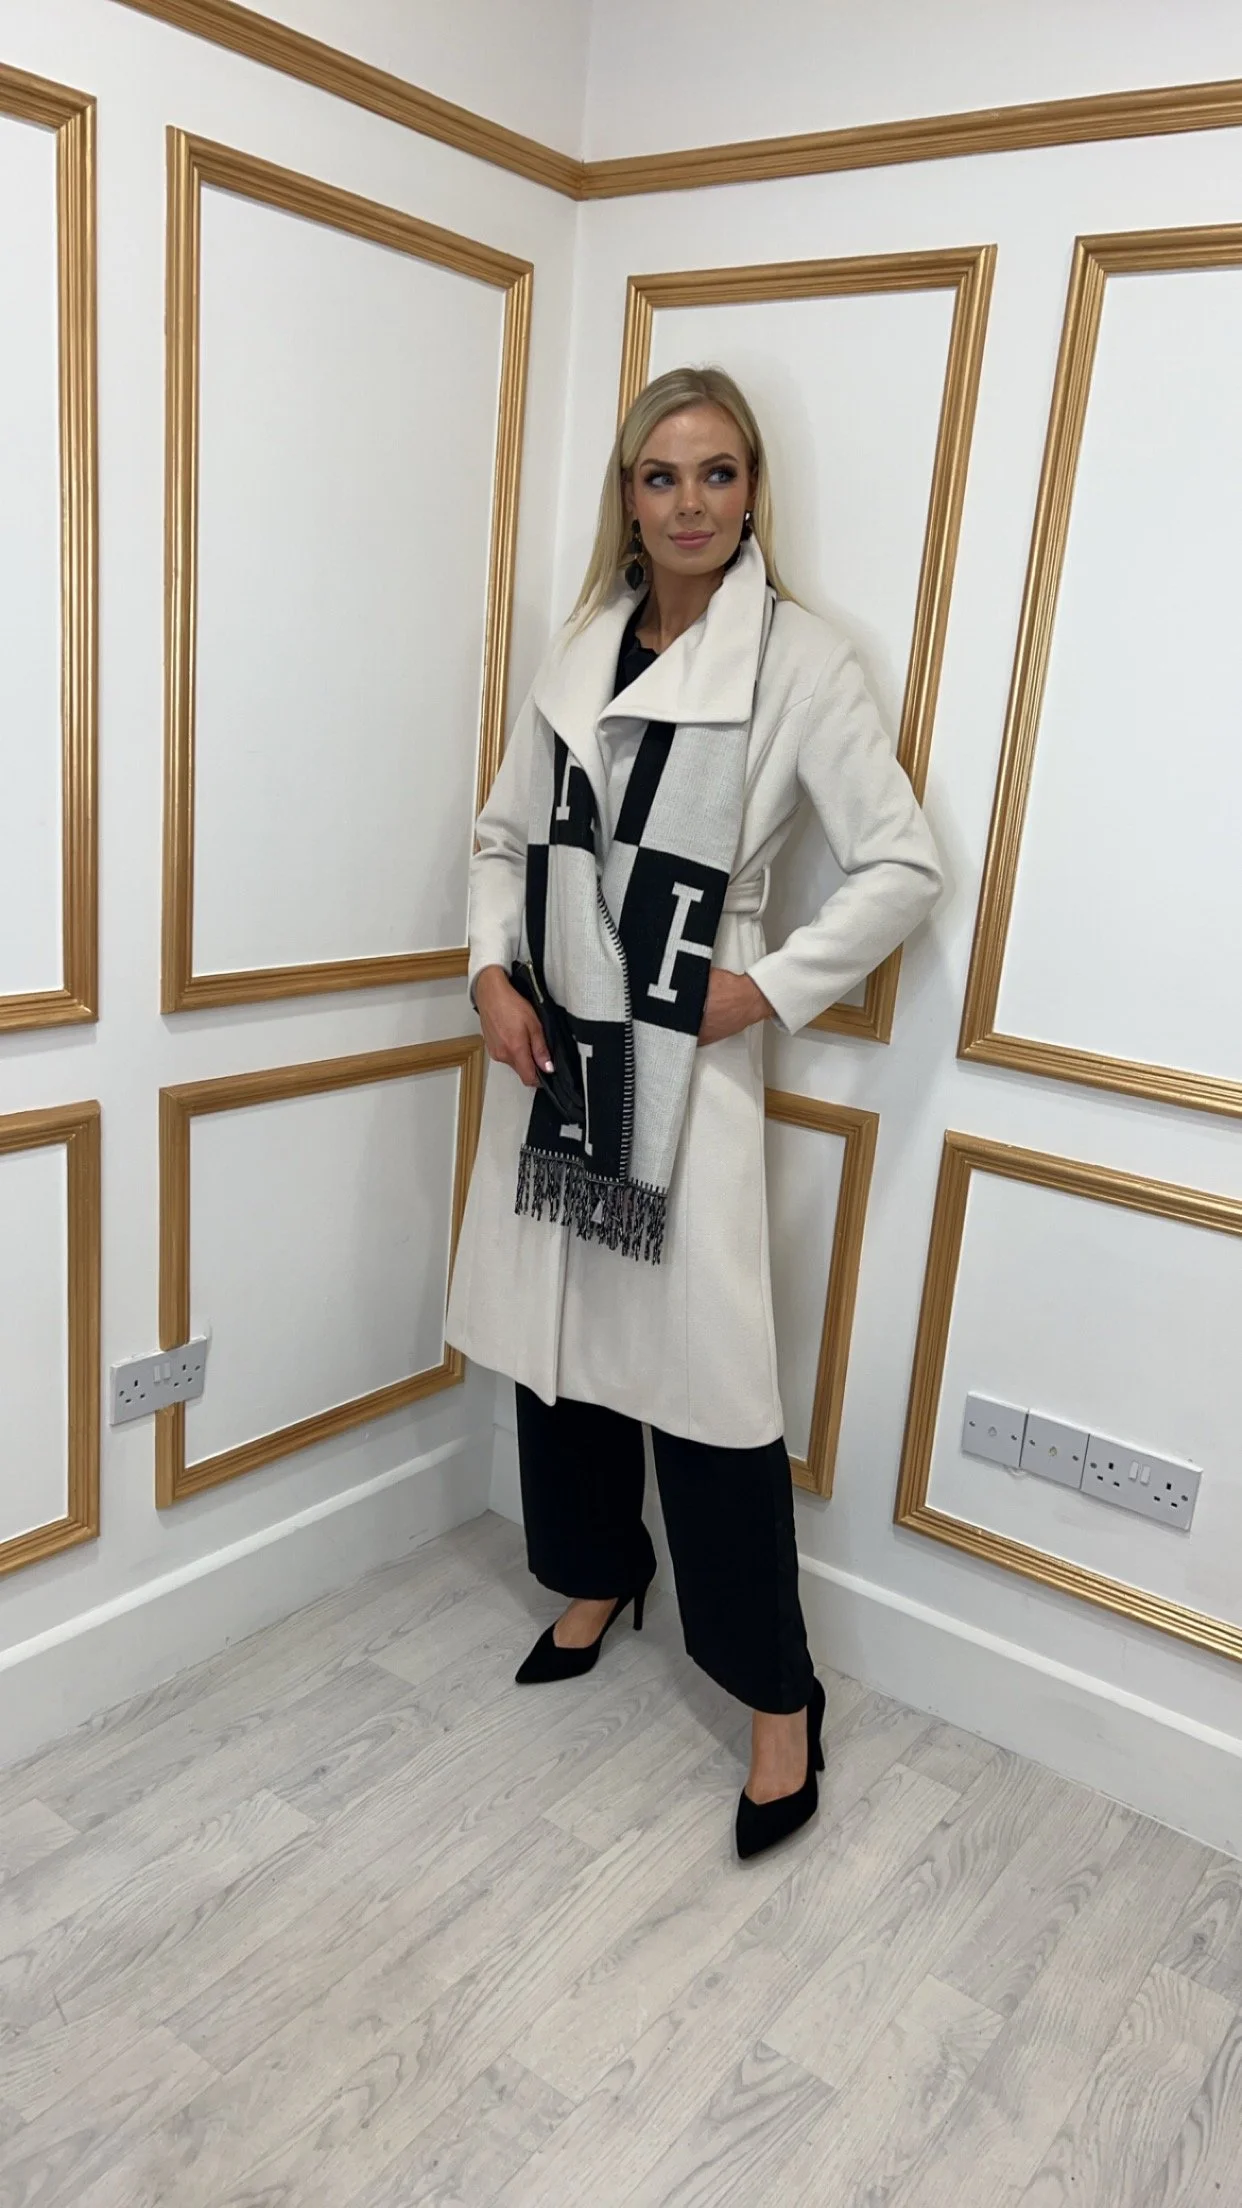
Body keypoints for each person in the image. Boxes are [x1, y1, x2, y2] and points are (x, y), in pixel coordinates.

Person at [446, 365, 942, 1859]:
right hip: (556, 1042)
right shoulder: (579, 646)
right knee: (564, 1351)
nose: (689, 503)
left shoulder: (798, 663)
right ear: (628, 495)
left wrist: (764, 989)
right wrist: (490, 975)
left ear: (750, 491)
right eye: (660, 476)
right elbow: (500, 837)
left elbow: (902, 866)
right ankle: (600, 1569)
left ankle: (778, 1697)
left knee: (712, 1391)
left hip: (681, 1060)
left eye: (717, 474)